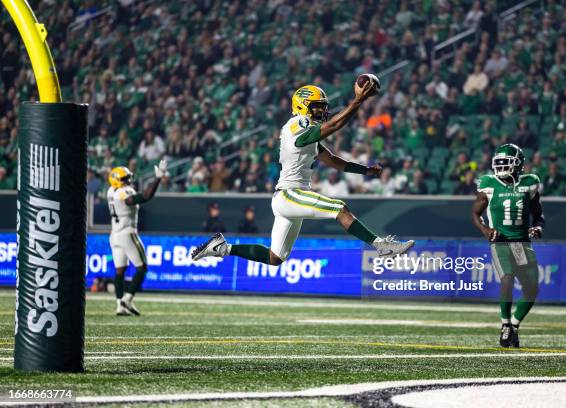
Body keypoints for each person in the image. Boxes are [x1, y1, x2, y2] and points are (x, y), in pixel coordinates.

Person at [192, 80, 414, 265]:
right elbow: (334, 126)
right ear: (302, 107)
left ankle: (222, 248)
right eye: (317, 106)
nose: (322, 110)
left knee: (275, 257)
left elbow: (334, 161)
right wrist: (358, 100)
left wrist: (365, 170)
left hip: (288, 198)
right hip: (290, 193)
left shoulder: (306, 132)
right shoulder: (296, 124)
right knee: (339, 208)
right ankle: (381, 246)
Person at [472, 144, 544, 348]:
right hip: (500, 241)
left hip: (522, 242)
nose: (502, 167)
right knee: (507, 279)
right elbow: (475, 214)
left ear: (518, 163)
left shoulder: (530, 183)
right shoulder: (487, 183)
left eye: (507, 163)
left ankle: (514, 325)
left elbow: (538, 215)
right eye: (499, 163)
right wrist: (486, 231)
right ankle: (504, 324)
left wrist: (537, 227)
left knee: (532, 289)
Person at [107, 160, 167, 316]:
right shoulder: (124, 192)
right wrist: (158, 178)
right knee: (142, 267)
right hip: (128, 233)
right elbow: (146, 196)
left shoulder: (110, 191)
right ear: (118, 181)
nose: (128, 181)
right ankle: (127, 298)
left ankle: (119, 305)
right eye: (125, 178)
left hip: (114, 235)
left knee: (120, 271)